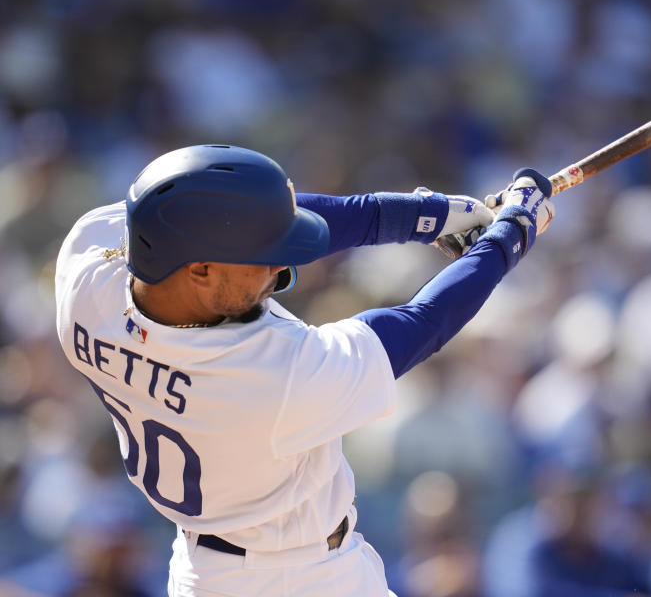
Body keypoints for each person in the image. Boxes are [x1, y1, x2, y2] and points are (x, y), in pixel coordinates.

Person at [53, 144, 555, 597]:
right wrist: (508, 237)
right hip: (295, 578)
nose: (280, 268)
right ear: (199, 270)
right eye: (263, 258)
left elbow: (252, 219)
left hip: (208, 569)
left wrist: (428, 214)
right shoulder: (271, 376)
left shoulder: (88, 269)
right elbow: (420, 323)